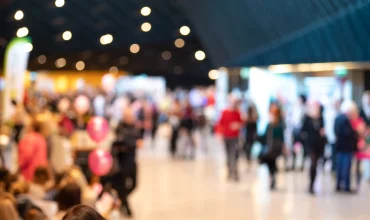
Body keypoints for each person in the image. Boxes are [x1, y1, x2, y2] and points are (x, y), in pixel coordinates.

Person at [112, 108, 142, 217]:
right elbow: (120, 142)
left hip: (132, 160)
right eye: (128, 116)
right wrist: (133, 144)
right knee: (123, 186)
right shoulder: (120, 128)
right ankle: (126, 207)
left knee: (134, 184)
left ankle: (121, 199)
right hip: (122, 162)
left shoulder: (135, 127)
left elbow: (139, 140)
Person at [300, 101, 326, 194]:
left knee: (316, 165)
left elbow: (322, 129)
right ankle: (311, 184)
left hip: (319, 144)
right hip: (310, 144)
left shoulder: (321, 118)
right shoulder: (307, 118)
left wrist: (323, 132)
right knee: (313, 163)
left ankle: (313, 183)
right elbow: (302, 130)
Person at [334, 101, 358, 193]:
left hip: (340, 146)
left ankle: (339, 185)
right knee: (346, 167)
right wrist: (355, 133)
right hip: (346, 147)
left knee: (340, 166)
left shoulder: (337, 118)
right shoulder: (345, 120)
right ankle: (346, 186)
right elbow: (347, 133)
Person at [259, 105, 285, 190]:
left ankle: (273, 178)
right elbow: (265, 137)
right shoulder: (269, 125)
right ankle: (272, 178)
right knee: (271, 164)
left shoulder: (279, 125)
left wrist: (284, 148)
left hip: (275, 148)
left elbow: (282, 138)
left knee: (272, 163)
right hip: (271, 148)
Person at [218, 97, 243, 181]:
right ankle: (229, 172)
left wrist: (237, 125)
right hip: (226, 136)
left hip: (234, 137)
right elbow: (220, 124)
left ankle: (234, 172)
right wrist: (220, 135)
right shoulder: (224, 112)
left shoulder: (238, 113)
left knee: (234, 155)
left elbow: (241, 123)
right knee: (228, 155)